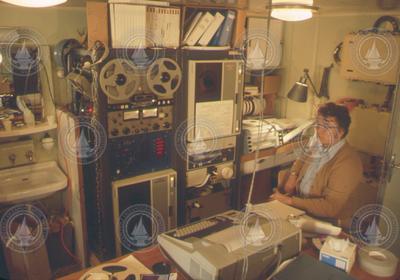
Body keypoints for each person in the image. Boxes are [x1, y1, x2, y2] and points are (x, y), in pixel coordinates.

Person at [270, 102, 366, 228]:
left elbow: (330, 208)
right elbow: (302, 158)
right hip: (302, 209)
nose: (319, 131)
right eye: (318, 125)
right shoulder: (320, 144)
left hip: (329, 221)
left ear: (341, 132)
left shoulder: (348, 163)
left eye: (326, 127)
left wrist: (289, 201)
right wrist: (293, 175)